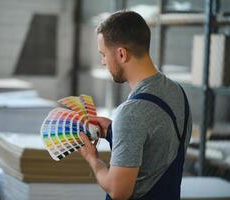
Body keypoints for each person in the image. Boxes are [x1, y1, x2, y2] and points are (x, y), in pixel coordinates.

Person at [79, 11, 192, 200]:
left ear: (122, 54)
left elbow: (118, 191)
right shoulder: (177, 91)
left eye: (104, 54)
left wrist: (93, 159)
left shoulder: (131, 112)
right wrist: (113, 131)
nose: (103, 61)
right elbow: (156, 149)